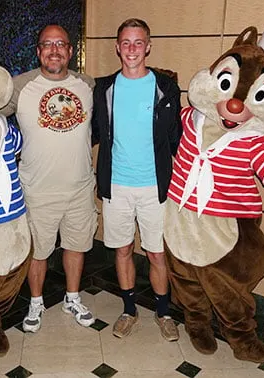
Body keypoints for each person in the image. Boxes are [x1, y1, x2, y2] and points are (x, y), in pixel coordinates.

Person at [0, 24, 98, 333]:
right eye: (47, 44)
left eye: (60, 44)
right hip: (38, 189)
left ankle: (72, 297)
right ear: (39, 51)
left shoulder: (87, 84)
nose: (54, 50)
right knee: (38, 251)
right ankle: (36, 303)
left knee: (76, 245)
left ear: (70, 51)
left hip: (81, 187)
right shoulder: (20, 86)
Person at [92, 18, 182, 341]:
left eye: (138, 42)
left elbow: (176, 139)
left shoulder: (166, 88)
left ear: (148, 46)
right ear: (118, 47)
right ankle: (129, 310)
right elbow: (93, 134)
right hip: (117, 186)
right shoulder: (103, 89)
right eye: (126, 43)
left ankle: (164, 312)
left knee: (157, 253)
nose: (132, 49)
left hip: (154, 187)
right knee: (123, 249)